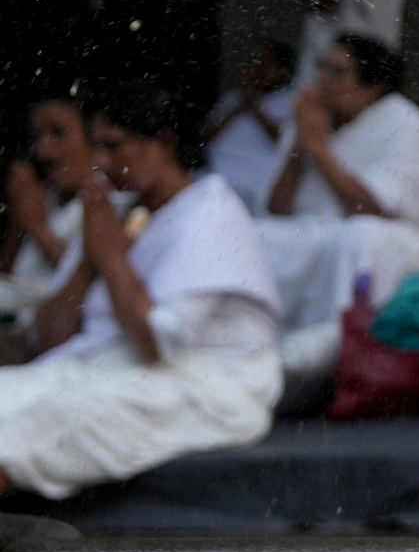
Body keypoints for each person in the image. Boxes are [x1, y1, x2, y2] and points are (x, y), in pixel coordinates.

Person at [0, 85, 282, 499]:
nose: (100, 162)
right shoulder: (116, 209)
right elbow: (50, 339)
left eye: (114, 147)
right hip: (107, 364)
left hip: (208, 382)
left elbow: (157, 342)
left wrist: (111, 258)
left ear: (164, 143)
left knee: (50, 422)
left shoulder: (209, 212)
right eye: (96, 147)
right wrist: (88, 258)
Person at [260, 33, 419, 337]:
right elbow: (275, 210)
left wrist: (318, 149)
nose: (322, 79)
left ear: (372, 88)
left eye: (336, 72)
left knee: (357, 238)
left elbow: (370, 208)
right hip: (320, 237)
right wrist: (299, 144)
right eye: (322, 67)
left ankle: (335, 346)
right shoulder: (310, 118)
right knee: (258, 235)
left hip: (414, 244)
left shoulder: (403, 121)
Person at [0, 96, 115, 358]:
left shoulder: (112, 201)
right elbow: (8, 279)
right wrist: (18, 225)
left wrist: (38, 228)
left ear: (93, 144)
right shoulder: (42, 198)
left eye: (58, 133)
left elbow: (92, 288)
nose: (44, 147)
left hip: (53, 342)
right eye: (37, 136)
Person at [202, 41, 297, 210]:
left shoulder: (291, 101)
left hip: (250, 182)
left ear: (283, 72)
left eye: (266, 65)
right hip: (213, 172)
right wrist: (238, 107)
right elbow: (206, 135)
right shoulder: (234, 97)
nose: (258, 69)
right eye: (257, 63)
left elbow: (284, 139)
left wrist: (255, 107)